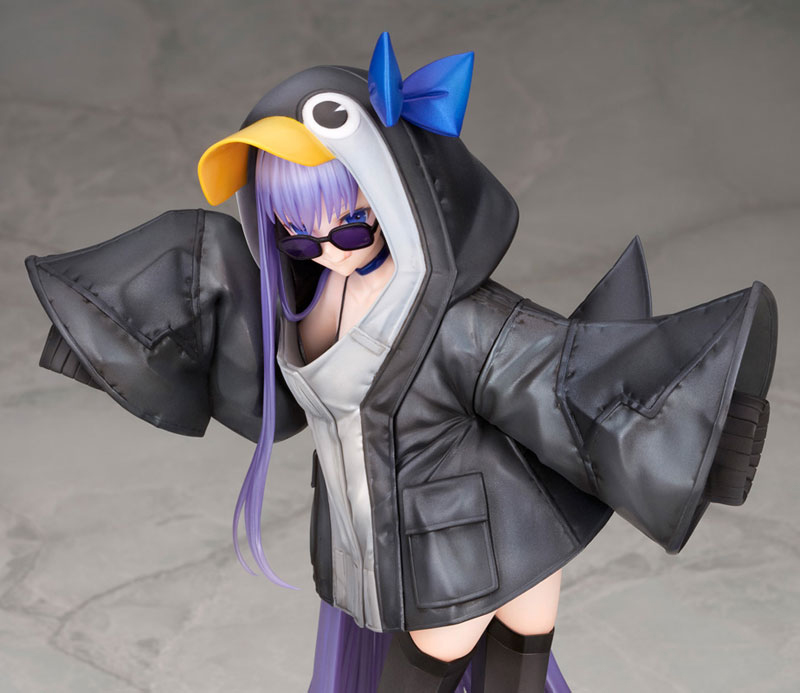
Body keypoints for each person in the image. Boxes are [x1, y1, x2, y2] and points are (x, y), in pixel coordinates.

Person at [25, 33, 777, 693]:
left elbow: (560, 377)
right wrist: (114, 342)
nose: (326, 250)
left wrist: (702, 432)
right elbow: (242, 357)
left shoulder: (456, 319)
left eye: (353, 228)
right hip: (394, 544)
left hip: (478, 546)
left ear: (394, 197)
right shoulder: (299, 304)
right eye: (297, 236)